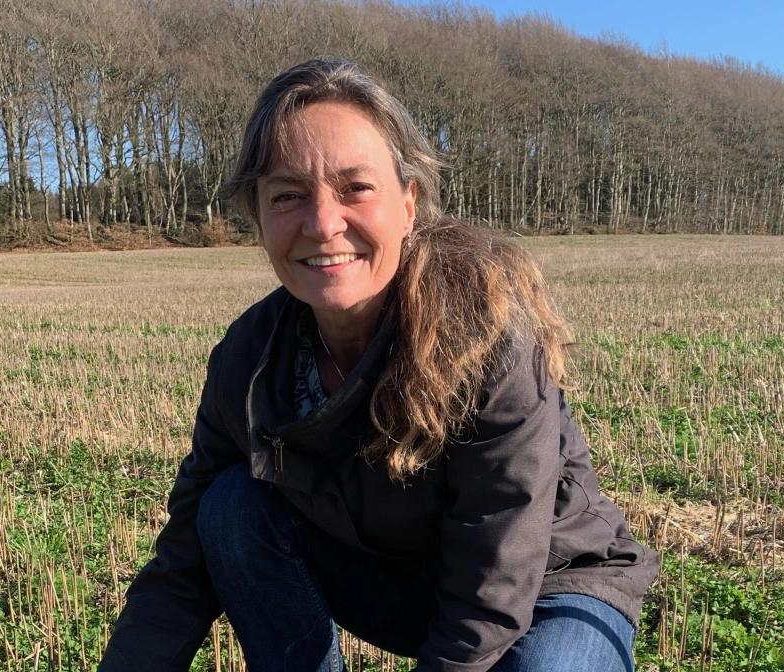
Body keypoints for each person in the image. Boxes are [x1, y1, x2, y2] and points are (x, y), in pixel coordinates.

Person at [98, 57, 659, 672]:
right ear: (257, 218)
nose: (321, 223)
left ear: (409, 202)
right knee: (231, 506)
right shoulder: (247, 360)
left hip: (550, 584)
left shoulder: (487, 338)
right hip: (402, 583)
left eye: (355, 188)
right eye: (287, 195)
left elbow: (493, 582)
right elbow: (185, 559)